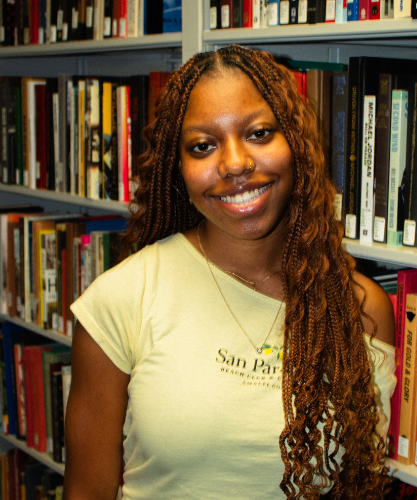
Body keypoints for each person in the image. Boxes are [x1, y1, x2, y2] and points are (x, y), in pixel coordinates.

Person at [63, 45, 396, 500]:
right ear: (178, 168)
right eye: (203, 146)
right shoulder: (122, 300)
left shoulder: (360, 308)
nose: (235, 163)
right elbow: (87, 492)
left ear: (296, 143)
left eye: (258, 134)